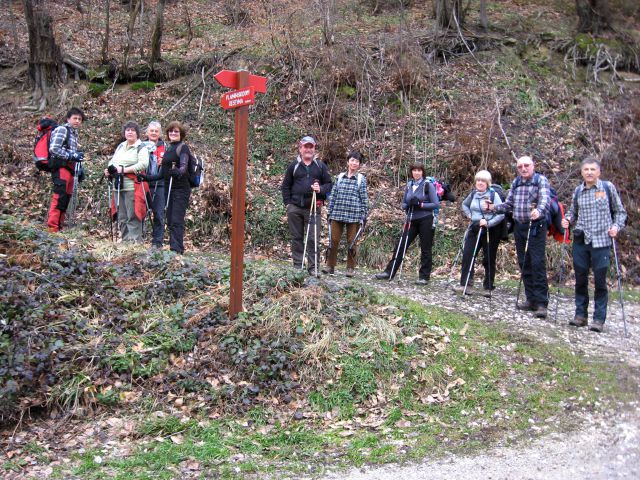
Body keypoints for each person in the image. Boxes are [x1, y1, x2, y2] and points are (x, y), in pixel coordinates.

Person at [561, 157, 627, 333]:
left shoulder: (607, 188)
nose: (589, 172)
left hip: (602, 241)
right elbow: (572, 212)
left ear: (599, 172)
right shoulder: (578, 191)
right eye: (586, 170)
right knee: (580, 279)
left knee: (599, 281)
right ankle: (580, 315)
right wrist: (567, 219)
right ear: (581, 172)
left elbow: (620, 212)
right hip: (581, 240)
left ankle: (598, 319)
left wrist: (615, 227)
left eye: (592, 169)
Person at [484, 155, 551, 318]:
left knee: (537, 262)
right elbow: (509, 205)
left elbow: (545, 200)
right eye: (520, 166)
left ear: (533, 165)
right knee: (524, 262)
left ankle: (542, 303)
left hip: (535, 226)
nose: (523, 169)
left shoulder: (540, 180)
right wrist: (493, 208)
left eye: (526, 165)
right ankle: (531, 299)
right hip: (520, 226)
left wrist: (539, 211)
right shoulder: (516, 182)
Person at [374, 162, 439, 284]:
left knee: (425, 248)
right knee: (401, 245)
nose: (417, 173)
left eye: (419, 170)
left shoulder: (428, 185)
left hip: (426, 219)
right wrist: (408, 205)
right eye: (414, 170)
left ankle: (424, 277)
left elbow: (435, 204)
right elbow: (403, 203)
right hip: (411, 219)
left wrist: (420, 204)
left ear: (423, 172)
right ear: (411, 172)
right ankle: (389, 271)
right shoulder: (409, 185)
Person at [281, 136, 332, 275]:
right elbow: (285, 186)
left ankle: (313, 268)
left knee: (312, 239)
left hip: (314, 207)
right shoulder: (294, 166)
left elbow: (329, 185)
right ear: (300, 148)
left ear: (314, 148)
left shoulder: (320, 166)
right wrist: (288, 204)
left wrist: (320, 189)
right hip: (295, 208)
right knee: (296, 238)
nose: (308, 149)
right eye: (306, 147)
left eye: (311, 147)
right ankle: (298, 266)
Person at [454, 170, 504, 296]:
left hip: (490, 230)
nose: (480, 183)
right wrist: (470, 215)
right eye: (478, 180)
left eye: (483, 181)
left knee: (488, 257)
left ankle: (488, 287)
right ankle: (466, 284)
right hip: (474, 227)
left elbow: (501, 214)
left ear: (488, 183)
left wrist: (488, 222)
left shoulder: (493, 196)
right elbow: (464, 205)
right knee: (468, 254)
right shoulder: (473, 194)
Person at [323, 151, 369, 277]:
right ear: (348, 161)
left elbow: (364, 198)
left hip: (354, 215)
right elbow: (333, 195)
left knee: (352, 241)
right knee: (333, 240)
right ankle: (330, 266)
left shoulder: (361, 179)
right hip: (337, 213)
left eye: (357, 161)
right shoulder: (339, 177)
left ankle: (350, 268)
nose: (354, 163)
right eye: (352, 160)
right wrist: (330, 211)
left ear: (359, 164)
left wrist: (364, 215)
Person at [105, 121, 149, 242]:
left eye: (132, 130)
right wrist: (109, 169)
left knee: (133, 215)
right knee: (122, 216)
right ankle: (125, 242)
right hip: (118, 186)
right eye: (127, 130)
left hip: (132, 186)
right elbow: (112, 161)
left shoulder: (141, 147)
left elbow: (144, 164)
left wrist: (124, 169)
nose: (130, 132)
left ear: (137, 133)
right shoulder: (120, 146)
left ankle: (135, 243)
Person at [46, 107, 85, 232]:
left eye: (79, 119)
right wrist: (72, 155)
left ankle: (59, 226)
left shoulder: (74, 133)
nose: (77, 121)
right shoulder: (63, 129)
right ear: (68, 119)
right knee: (59, 197)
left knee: (66, 197)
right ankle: (52, 228)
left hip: (69, 169)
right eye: (75, 118)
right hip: (61, 167)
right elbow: (54, 149)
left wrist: (78, 164)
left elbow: (68, 151)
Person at [160, 121, 192, 254]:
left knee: (176, 219)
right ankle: (173, 247)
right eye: (171, 131)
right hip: (168, 188)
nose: (173, 133)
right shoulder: (168, 149)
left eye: (176, 131)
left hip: (180, 189)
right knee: (170, 218)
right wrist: (145, 178)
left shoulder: (183, 148)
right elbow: (162, 173)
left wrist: (178, 171)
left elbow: (183, 167)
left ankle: (177, 250)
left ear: (181, 134)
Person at [138, 121, 166, 249]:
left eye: (156, 131)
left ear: (160, 133)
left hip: (160, 184)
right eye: (151, 131)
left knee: (159, 213)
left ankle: (157, 242)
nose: (154, 133)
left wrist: (164, 162)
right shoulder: (140, 145)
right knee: (141, 211)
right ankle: (138, 239)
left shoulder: (165, 146)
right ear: (147, 132)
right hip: (143, 183)